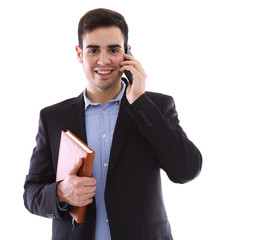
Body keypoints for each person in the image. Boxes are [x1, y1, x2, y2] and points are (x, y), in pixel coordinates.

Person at [23, 8, 202, 240]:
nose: (103, 60)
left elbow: (186, 170)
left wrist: (140, 102)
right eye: (93, 50)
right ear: (79, 54)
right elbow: (31, 193)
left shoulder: (155, 106)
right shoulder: (53, 118)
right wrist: (60, 192)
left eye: (113, 49)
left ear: (127, 53)